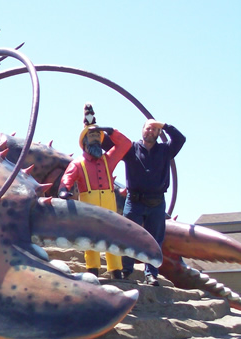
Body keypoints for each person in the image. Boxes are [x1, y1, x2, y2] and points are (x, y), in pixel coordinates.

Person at [59, 103, 131, 279]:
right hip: (88, 202)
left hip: (108, 202)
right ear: (84, 140)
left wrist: (111, 131)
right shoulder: (78, 163)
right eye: (91, 135)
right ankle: (92, 269)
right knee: (89, 236)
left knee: (112, 235)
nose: (96, 139)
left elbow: (126, 144)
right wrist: (63, 191)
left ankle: (115, 270)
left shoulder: (109, 159)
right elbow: (66, 178)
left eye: (97, 135)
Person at [121, 119, 186, 286]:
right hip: (134, 200)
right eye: (148, 128)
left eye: (154, 129)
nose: (150, 131)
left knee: (155, 239)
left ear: (159, 133)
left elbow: (180, 139)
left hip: (156, 202)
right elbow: (108, 143)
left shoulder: (165, 150)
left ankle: (151, 274)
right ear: (142, 130)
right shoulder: (131, 148)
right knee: (128, 234)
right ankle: (126, 269)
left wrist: (163, 125)